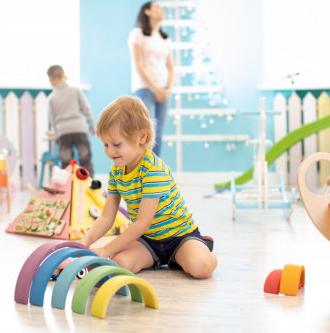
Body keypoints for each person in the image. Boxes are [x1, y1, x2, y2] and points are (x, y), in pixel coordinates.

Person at [79, 96, 217, 279]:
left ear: (141, 137)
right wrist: (83, 244)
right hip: (148, 241)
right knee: (120, 264)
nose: (110, 151)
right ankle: (165, 258)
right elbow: (106, 217)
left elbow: (142, 223)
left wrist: (105, 249)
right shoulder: (116, 172)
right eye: (105, 145)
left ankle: (200, 247)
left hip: (179, 237)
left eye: (116, 144)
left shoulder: (153, 170)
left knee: (201, 267)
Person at [128, 1, 174, 156]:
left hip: (164, 89)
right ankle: (141, 171)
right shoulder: (137, 34)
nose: (162, 9)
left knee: (159, 134)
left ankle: (154, 171)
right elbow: (138, 64)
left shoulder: (165, 38)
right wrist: (155, 89)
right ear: (147, 11)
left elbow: (171, 67)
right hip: (144, 88)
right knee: (146, 133)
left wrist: (167, 89)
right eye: (157, 7)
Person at [47, 65, 95, 177]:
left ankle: (69, 188)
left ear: (51, 81)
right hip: (79, 129)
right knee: (85, 159)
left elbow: (53, 120)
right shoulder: (75, 91)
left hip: (63, 132)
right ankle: (89, 185)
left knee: (66, 163)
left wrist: (56, 135)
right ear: (65, 77)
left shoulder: (52, 98)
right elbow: (86, 108)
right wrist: (91, 125)